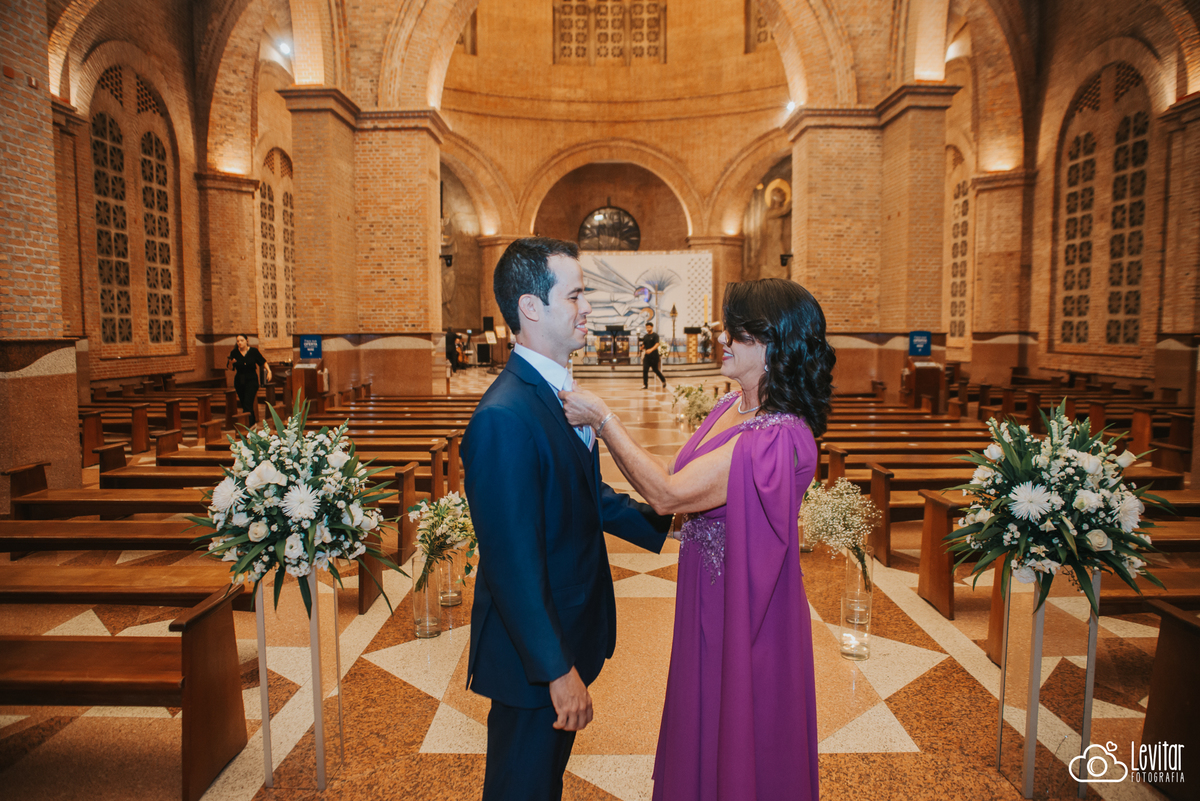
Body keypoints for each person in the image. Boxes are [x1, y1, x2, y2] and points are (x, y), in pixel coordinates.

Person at [560, 278, 835, 801]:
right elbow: (677, 477)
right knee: (703, 708)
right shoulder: (731, 406)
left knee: (743, 718)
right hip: (707, 595)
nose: (722, 339)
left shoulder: (778, 437)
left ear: (773, 345)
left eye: (737, 333)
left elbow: (668, 495)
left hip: (747, 608)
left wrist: (604, 420)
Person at [462, 236, 671, 801]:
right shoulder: (505, 416)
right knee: (521, 789)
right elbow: (511, 563)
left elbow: (582, 493)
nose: (588, 307)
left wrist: (667, 520)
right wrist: (556, 671)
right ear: (531, 307)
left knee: (543, 785)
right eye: (575, 295)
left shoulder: (554, 391)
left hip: (565, 631)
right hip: (532, 660)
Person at [226, 334, 271, 424]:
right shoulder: (234, 353)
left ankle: (248, 424)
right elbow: (230, 368)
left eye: (241, 340)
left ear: (247, 340)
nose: (239, 343)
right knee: (245, 404)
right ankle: (252, 423)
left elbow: (263, 361)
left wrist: (269, 371)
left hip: (251, 379)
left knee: (247, 402)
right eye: (238, 341)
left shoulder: (253, 351)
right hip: (239, 380)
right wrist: (231, 363)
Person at [641, 322, 666, 389]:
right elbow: (644, 344)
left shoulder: (655, 335)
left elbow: (657, 344)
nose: (648, 328)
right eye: (647, 327)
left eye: (649, 327)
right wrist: (642, 347)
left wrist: (651, 350)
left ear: (652, 327)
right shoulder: (645, 336)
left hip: (654, 356)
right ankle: (645, 385)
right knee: (645, 370)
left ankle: (663, 380)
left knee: (655, 370)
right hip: (647, 356)